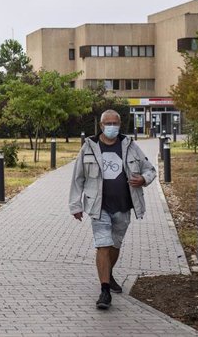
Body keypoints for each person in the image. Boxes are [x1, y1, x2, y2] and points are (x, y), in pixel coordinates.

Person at [69, 109, 157, 310]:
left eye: (115, 124)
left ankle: (108, 275)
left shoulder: (130, 145)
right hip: (98, 206)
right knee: (103, 245)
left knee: (115, 245)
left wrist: (143, 179)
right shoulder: (89, 147)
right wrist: (76, 205)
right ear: (101, 126)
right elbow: (78, 177)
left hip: (124, 207)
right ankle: (105, 290)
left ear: (119, 125)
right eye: (107, 123)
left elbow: (149, 169)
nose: (111, 127)